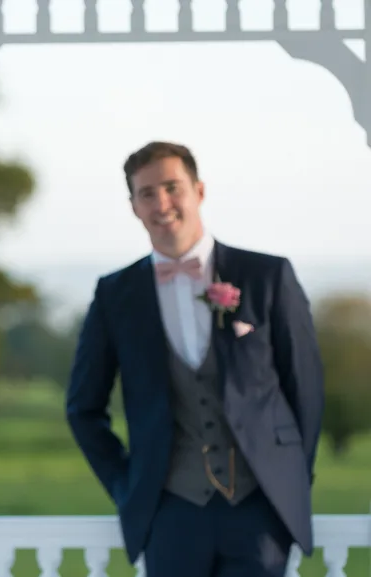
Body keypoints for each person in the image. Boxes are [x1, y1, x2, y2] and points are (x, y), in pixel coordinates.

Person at [65, 141, 325, 576]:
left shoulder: (268, 275)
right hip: (170, 513)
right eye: (147, 193)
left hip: (260, 510)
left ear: (199, 191)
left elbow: (306, 390)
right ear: (133, 206)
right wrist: (129, 486)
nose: (161, 202)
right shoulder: (115, 294)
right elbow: (83, 407)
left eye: (172, 187)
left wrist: (290, 481)